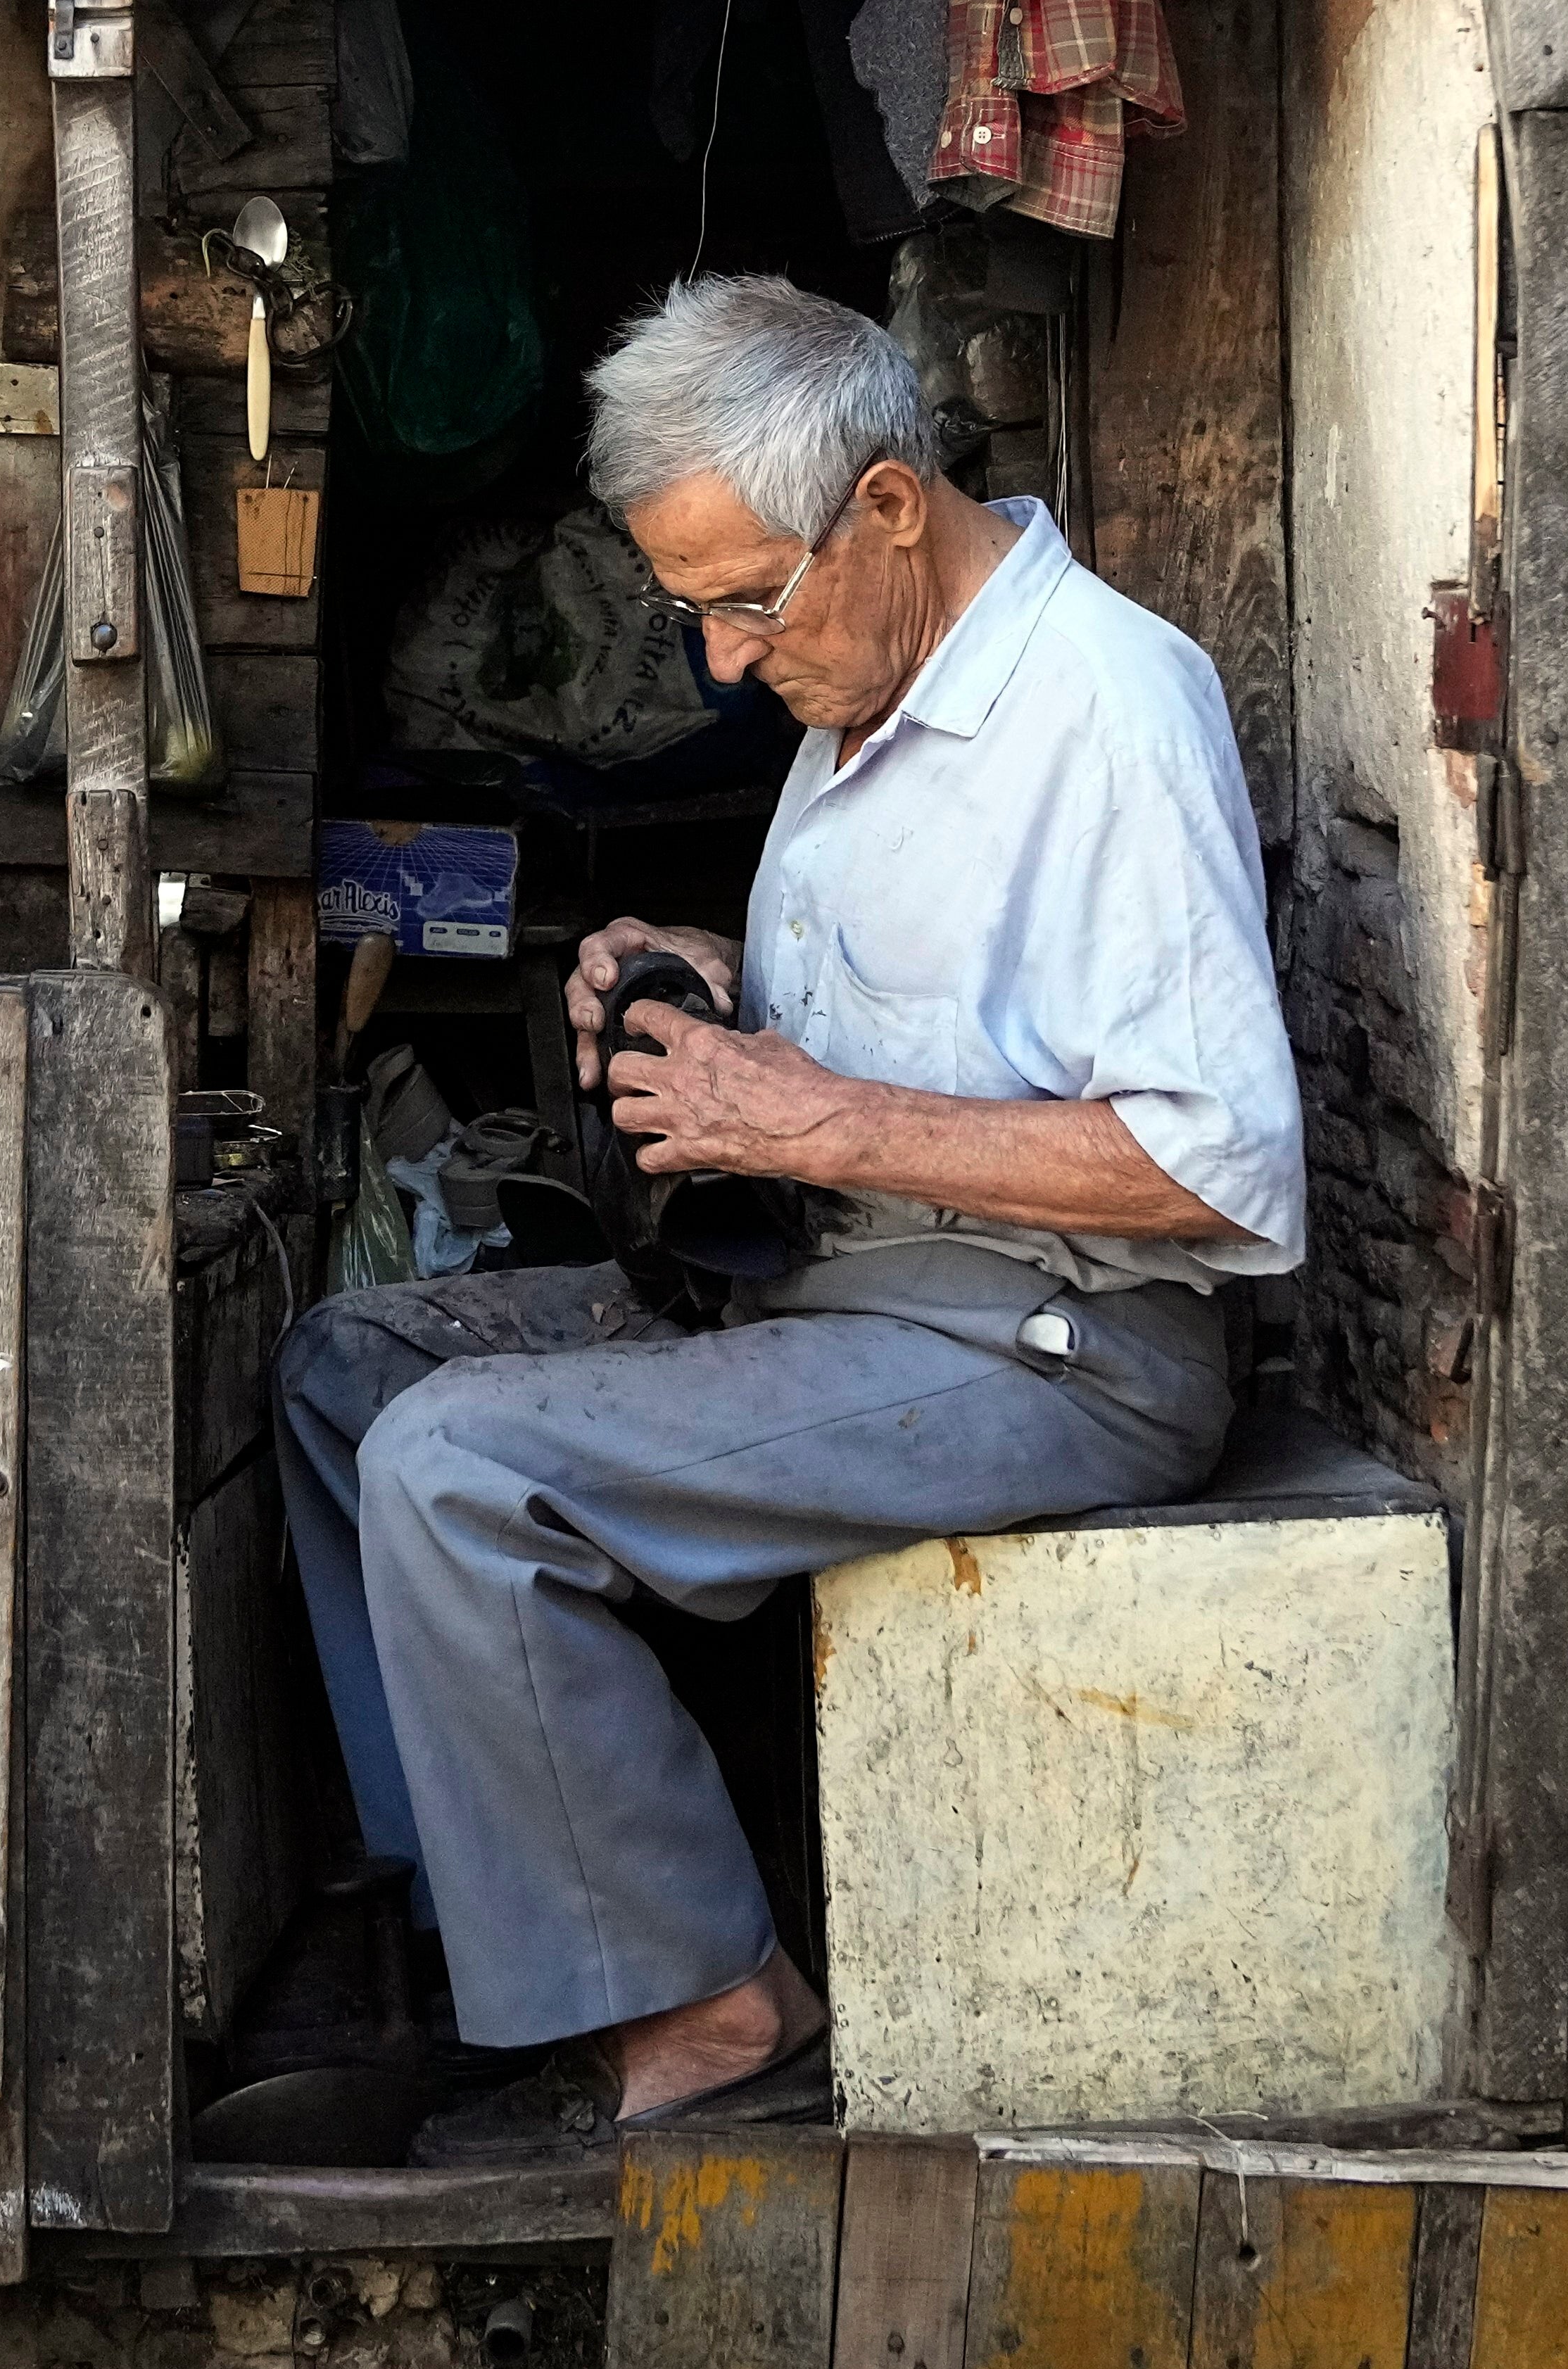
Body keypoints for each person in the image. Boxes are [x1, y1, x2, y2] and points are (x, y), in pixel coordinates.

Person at [274, 273, 1304, 2166]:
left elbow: (1216, 1162)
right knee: (351, 1365)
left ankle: (701, 2008)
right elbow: (959, 1024)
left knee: (460, 1461)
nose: (731, 662)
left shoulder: (1100, 706)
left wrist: (811, 1111)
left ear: (892, 505)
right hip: (857, 1288)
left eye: (749, 599)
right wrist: (703, 981)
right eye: (696, 614)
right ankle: (499, 1940)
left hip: (1055, 1341)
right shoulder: (872, 691)